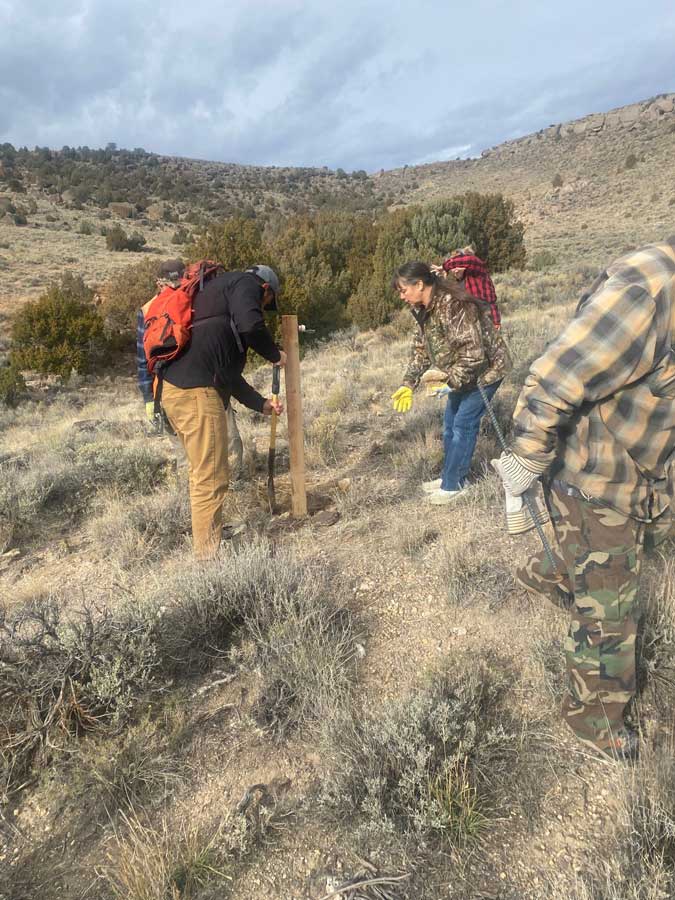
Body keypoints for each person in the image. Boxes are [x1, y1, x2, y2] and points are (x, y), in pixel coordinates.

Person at [492, 237, 675, 760]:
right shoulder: (648, 292)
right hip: (597, 476)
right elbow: (553, 379)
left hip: (649, 474)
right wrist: (524, 464)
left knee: (625, 563)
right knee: (613, 613)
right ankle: (594, 721)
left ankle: (554, 571)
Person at [153, 263, 285, 558]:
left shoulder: (213, 304)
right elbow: (252, 326)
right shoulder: (245, 283)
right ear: (265, 289)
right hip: (196, 395)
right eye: (266, 303)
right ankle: (207, 560)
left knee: (202, 475)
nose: (262, 308)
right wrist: (276, 355)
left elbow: (225, 374)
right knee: (210, 477)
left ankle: (206, 545)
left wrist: (261, 404)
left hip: (175, 391)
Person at [390, 261, 512, 504]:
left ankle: (455, 485)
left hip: (485, 371)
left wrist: (452, 383)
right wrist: (407, 384)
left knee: (463, 425)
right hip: (463, 373)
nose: (402, 296)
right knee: (449, 425)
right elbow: (420, 351)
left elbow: (474, 354)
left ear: (420, 284)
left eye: (404, 290)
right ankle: (450, 477)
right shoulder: (423, 309)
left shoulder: (452, 305)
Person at [137, 259, 244, 476]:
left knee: (188, 453)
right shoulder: (195, 298)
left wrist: (150, 398)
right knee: (225, 444)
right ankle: (223, 493)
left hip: (170, 389)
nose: (176, 288)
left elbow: (143, 357)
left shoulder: (149, 309)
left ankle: (203, 498)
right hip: (205, 383)